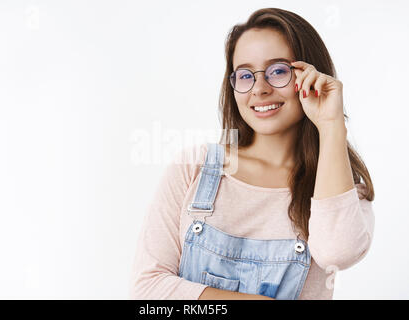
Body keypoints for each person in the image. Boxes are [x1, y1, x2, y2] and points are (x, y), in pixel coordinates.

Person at [129, 7, 375, 300]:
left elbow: (339, 253)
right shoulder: (194, 167)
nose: (259, 89)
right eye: (245, 75)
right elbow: (147, 291)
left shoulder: (340, 187)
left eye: (279, 71)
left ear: (311, 77)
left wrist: (331, 125)